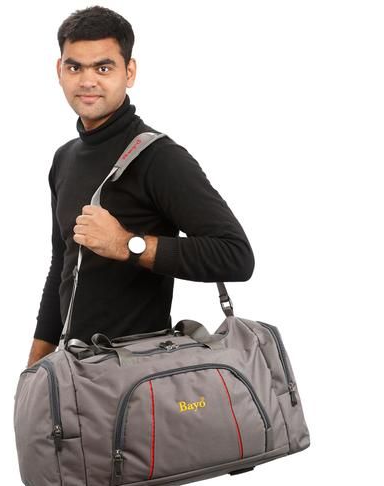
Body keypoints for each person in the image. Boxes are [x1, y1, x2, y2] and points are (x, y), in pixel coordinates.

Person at [26, 6, 255, 367]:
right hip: (76, 373)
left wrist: (126, 244)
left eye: (103, 68)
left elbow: (235, 256)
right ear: (59, 71)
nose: (87, 81)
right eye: (75, 67)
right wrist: (34, 369)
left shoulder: (158, 158)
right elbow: (62, 267)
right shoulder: (64, 158)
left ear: (129, 72)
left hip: (139, 378)